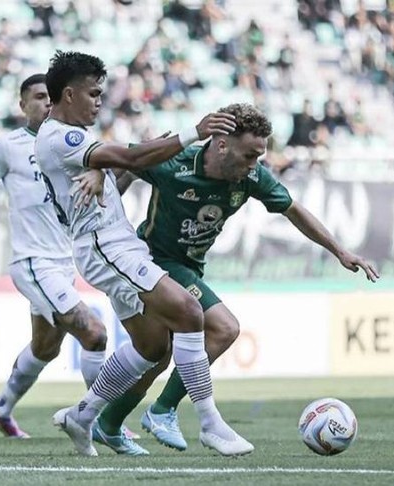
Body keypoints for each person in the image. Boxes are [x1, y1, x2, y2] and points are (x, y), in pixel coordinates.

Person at [93, 102, 380, 452]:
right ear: (221, 143)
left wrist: (340, 251)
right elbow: (125, 160)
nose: (253, 165)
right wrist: (99, 177)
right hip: (154, 261)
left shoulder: (251, 177)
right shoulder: (175, 163)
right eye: (248, 155)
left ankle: (107, 423)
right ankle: (162, 410)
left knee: (160, 354)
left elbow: (293, 210)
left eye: (258, 156)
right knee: (224, 328)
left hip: (190, 267)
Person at [35, 51, 253, 457]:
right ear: (68, 95)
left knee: (154, 347)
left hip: (116, 245)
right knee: (189, 312)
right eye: (93, 93)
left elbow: (120, 165)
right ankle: (209, 423)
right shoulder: (61, 137)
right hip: (104, 246)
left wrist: (101, 170)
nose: (99, 101)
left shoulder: (71, 139)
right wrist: (194, 131)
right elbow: (133, 158)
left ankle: (84, 415)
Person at [0, 74, 108, 441]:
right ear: (22, 106)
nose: (47, 103)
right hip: (32, 262)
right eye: (38, 97)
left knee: (45, 347)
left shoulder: (73, 143)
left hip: (65, 263)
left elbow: (104, 173)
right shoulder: (8, 146)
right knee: (94, 334)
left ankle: (0, 408)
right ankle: (102, 421)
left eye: (51, 97)